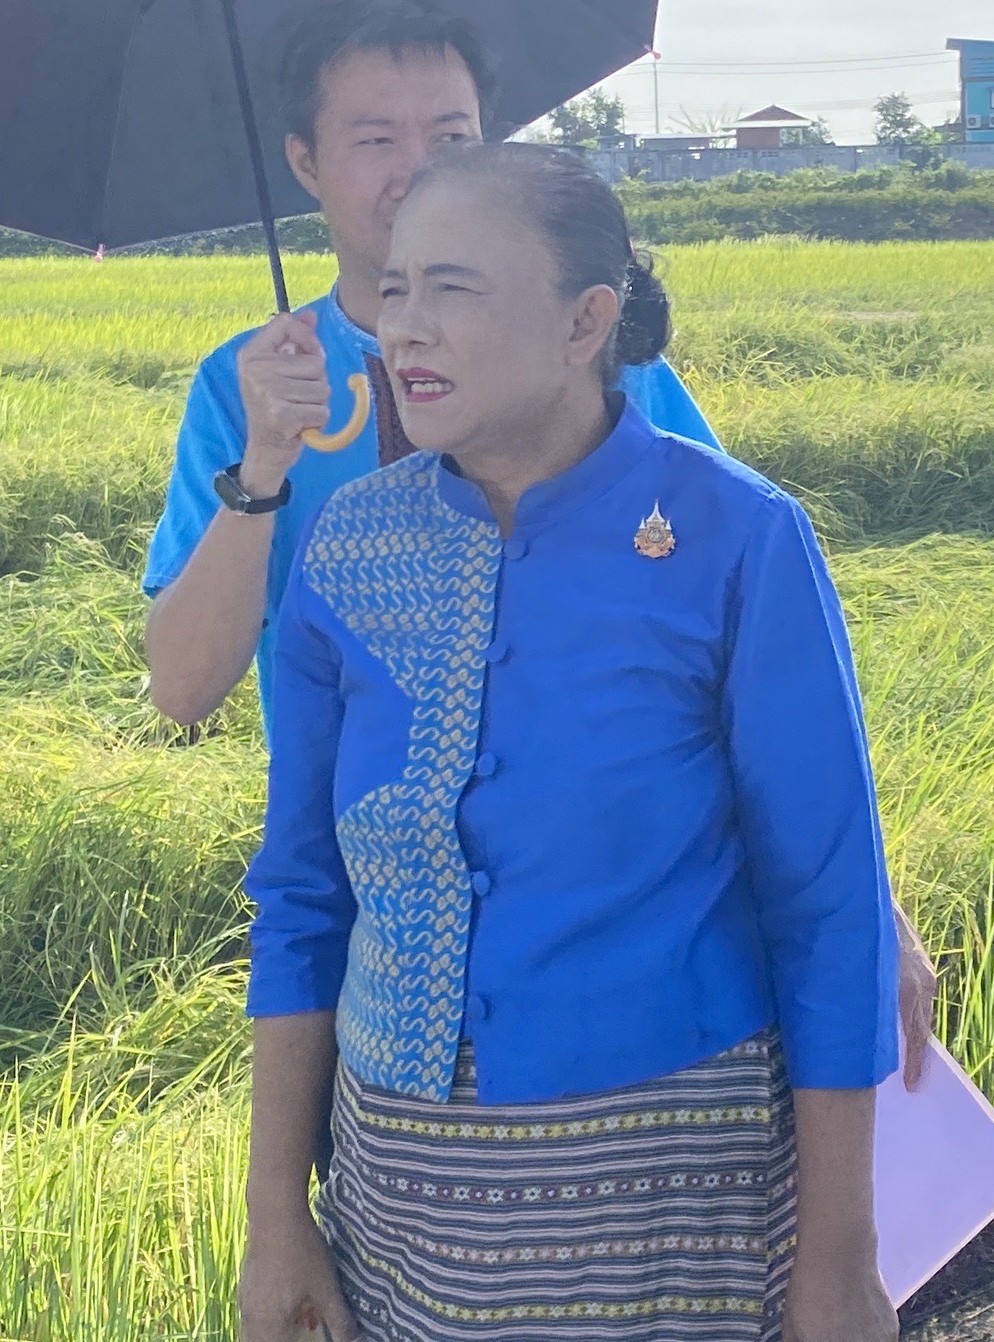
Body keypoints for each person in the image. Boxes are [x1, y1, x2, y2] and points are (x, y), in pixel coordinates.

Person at [141, 0, 939, 1071]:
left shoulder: (594, 359)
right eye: (375, 139)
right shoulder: (248, 392)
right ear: (304, 161)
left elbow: (760, 629)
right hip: (382, 938)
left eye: (453, 137)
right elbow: (184, 689)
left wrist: (864, 902)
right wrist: (266, 466)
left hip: (629, 946)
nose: (418, 170)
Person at [237, 143, 901, 1342]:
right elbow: (299, 898)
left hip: (673, 1200)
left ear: (585, 319)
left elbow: (829, 909)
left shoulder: (734, 537)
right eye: (394, 289)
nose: (408, 329)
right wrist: (274, 1211)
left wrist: (838, 1260)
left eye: (456, 288)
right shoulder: (347, 549)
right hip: (405, 1205)